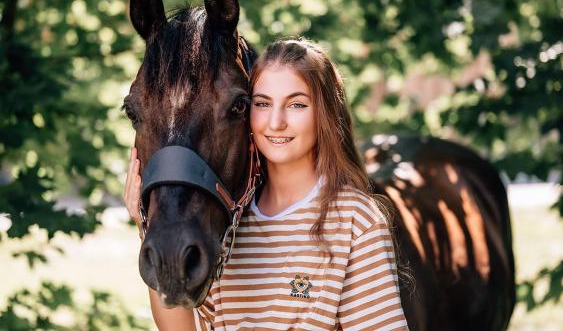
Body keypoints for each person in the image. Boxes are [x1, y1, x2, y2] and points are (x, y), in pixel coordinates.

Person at [124, 38, 409, 330]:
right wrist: (145, 225)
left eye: (297, 104)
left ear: (324, 114)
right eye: (262, 103)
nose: (276, 122)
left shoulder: (355, 221)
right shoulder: (231, 222)